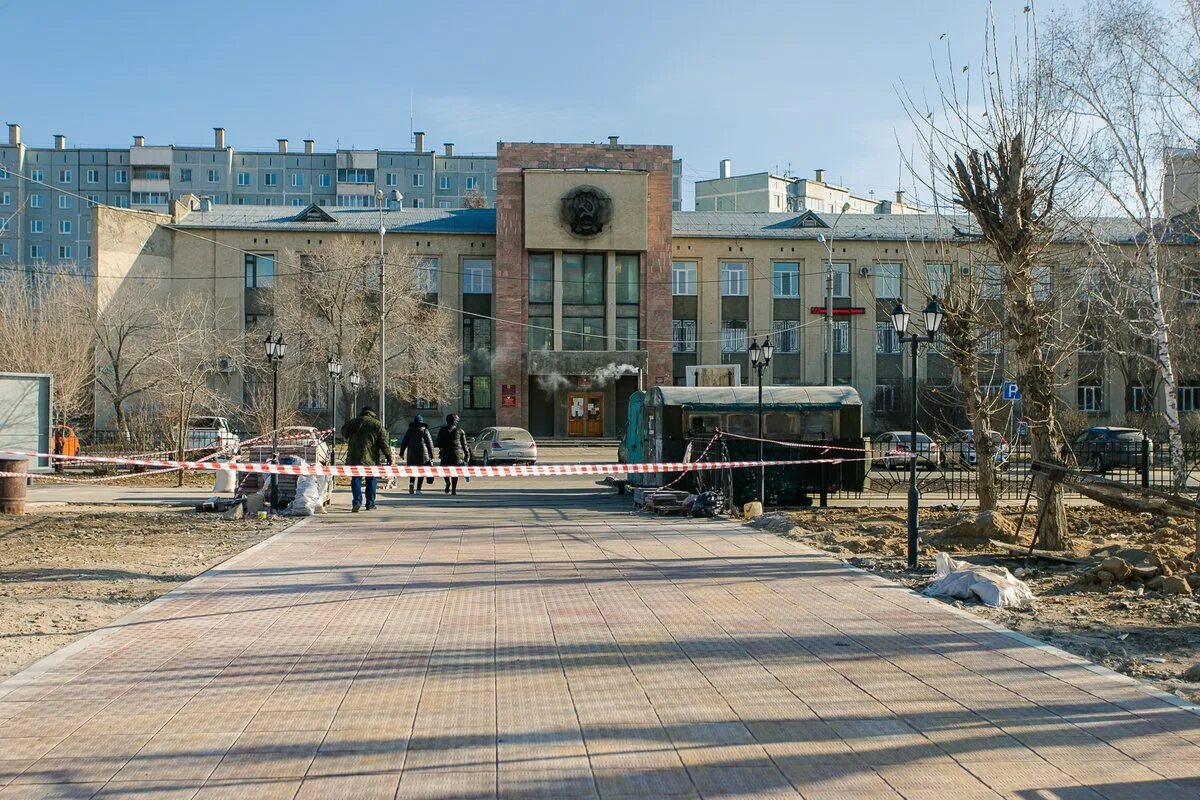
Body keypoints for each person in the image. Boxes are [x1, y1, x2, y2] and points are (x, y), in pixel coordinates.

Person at [340, 406, 392, 512]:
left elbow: (344, 433)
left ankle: (357, 502)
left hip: (354, 457)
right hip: (371, 459)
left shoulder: (353, 422)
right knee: (371, 479)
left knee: (356, 479)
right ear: (372, 413)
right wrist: (389, 457)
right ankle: (370, 504)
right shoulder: (377, 424)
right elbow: (384, 443)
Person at [399, 415, 435, 495]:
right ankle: (418, 489)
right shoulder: (425, 430)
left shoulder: (410, 430)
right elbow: (430, 444)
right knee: (421, 472)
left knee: (412, 470)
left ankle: (411, 483)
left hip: (411, 453)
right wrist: (432, 455)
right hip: (423, 455)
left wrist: (401, 453)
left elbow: (404, 442)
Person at [436, 413, 471, 495]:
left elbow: (439, 443)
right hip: (457, 454)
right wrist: (467, 456)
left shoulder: (442, 430)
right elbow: (464, 445)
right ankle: (454, 490)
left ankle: (447, 481)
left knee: (444, 470)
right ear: (456, 421)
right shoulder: (460, 431)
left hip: (446, 453)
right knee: (455, 472)